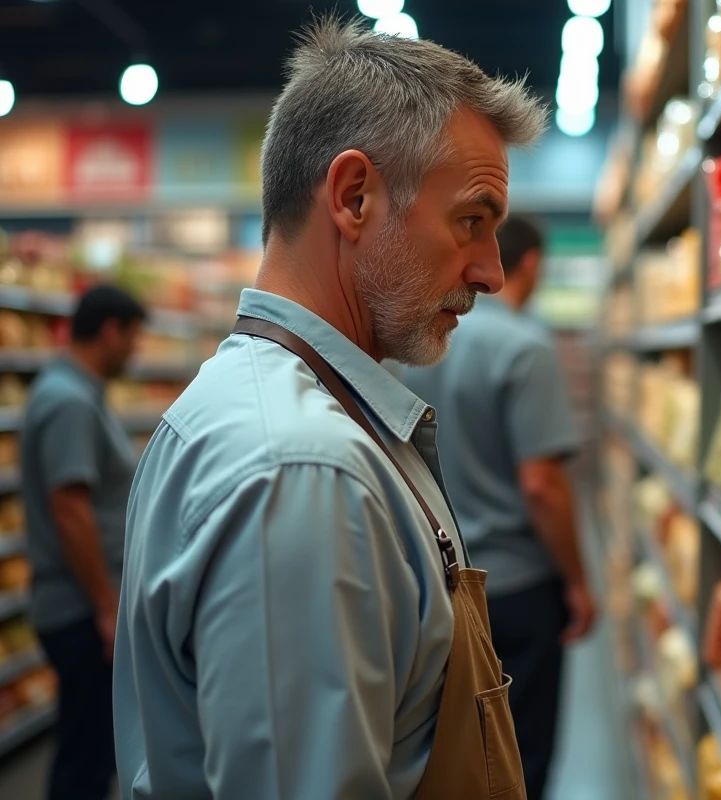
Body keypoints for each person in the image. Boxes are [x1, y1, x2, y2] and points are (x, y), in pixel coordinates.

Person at [113, 18, 546, 800]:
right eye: (472, 222)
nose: (491, 273)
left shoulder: (258, 412)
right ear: (354, 197)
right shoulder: (301, 469)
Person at [402, 215, 595, 800]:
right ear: (530, 265)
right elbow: (541, 485)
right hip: (516, 587)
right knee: (520, 755)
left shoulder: (422, 344)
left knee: (461, 755)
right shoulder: (526, 347)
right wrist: (578, 581)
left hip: (441, 583)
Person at [19, 284, 146, 800]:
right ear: (111, 331)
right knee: (84, 759)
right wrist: (106, 607)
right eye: (134, 338)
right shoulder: (68, 401)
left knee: (90, 750)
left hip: (85, 607)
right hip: (81, 611)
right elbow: (70, 511)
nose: (137, 352)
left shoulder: (77, 393)